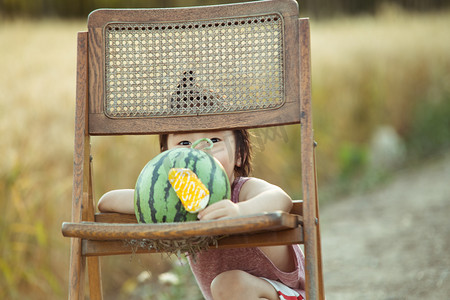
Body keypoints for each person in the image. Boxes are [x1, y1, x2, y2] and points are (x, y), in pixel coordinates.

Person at [98, 129, 306, 300]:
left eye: (213, 140)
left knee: (229, 285)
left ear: (239, 156)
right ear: (164, 157)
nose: (198, 152)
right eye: (184, 143)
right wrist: (151, 190)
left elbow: (280, 198)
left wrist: (240, 211)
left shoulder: (241, 193)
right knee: (227, 287)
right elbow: (107, 202)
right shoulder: (169, 204)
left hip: (287, 295)